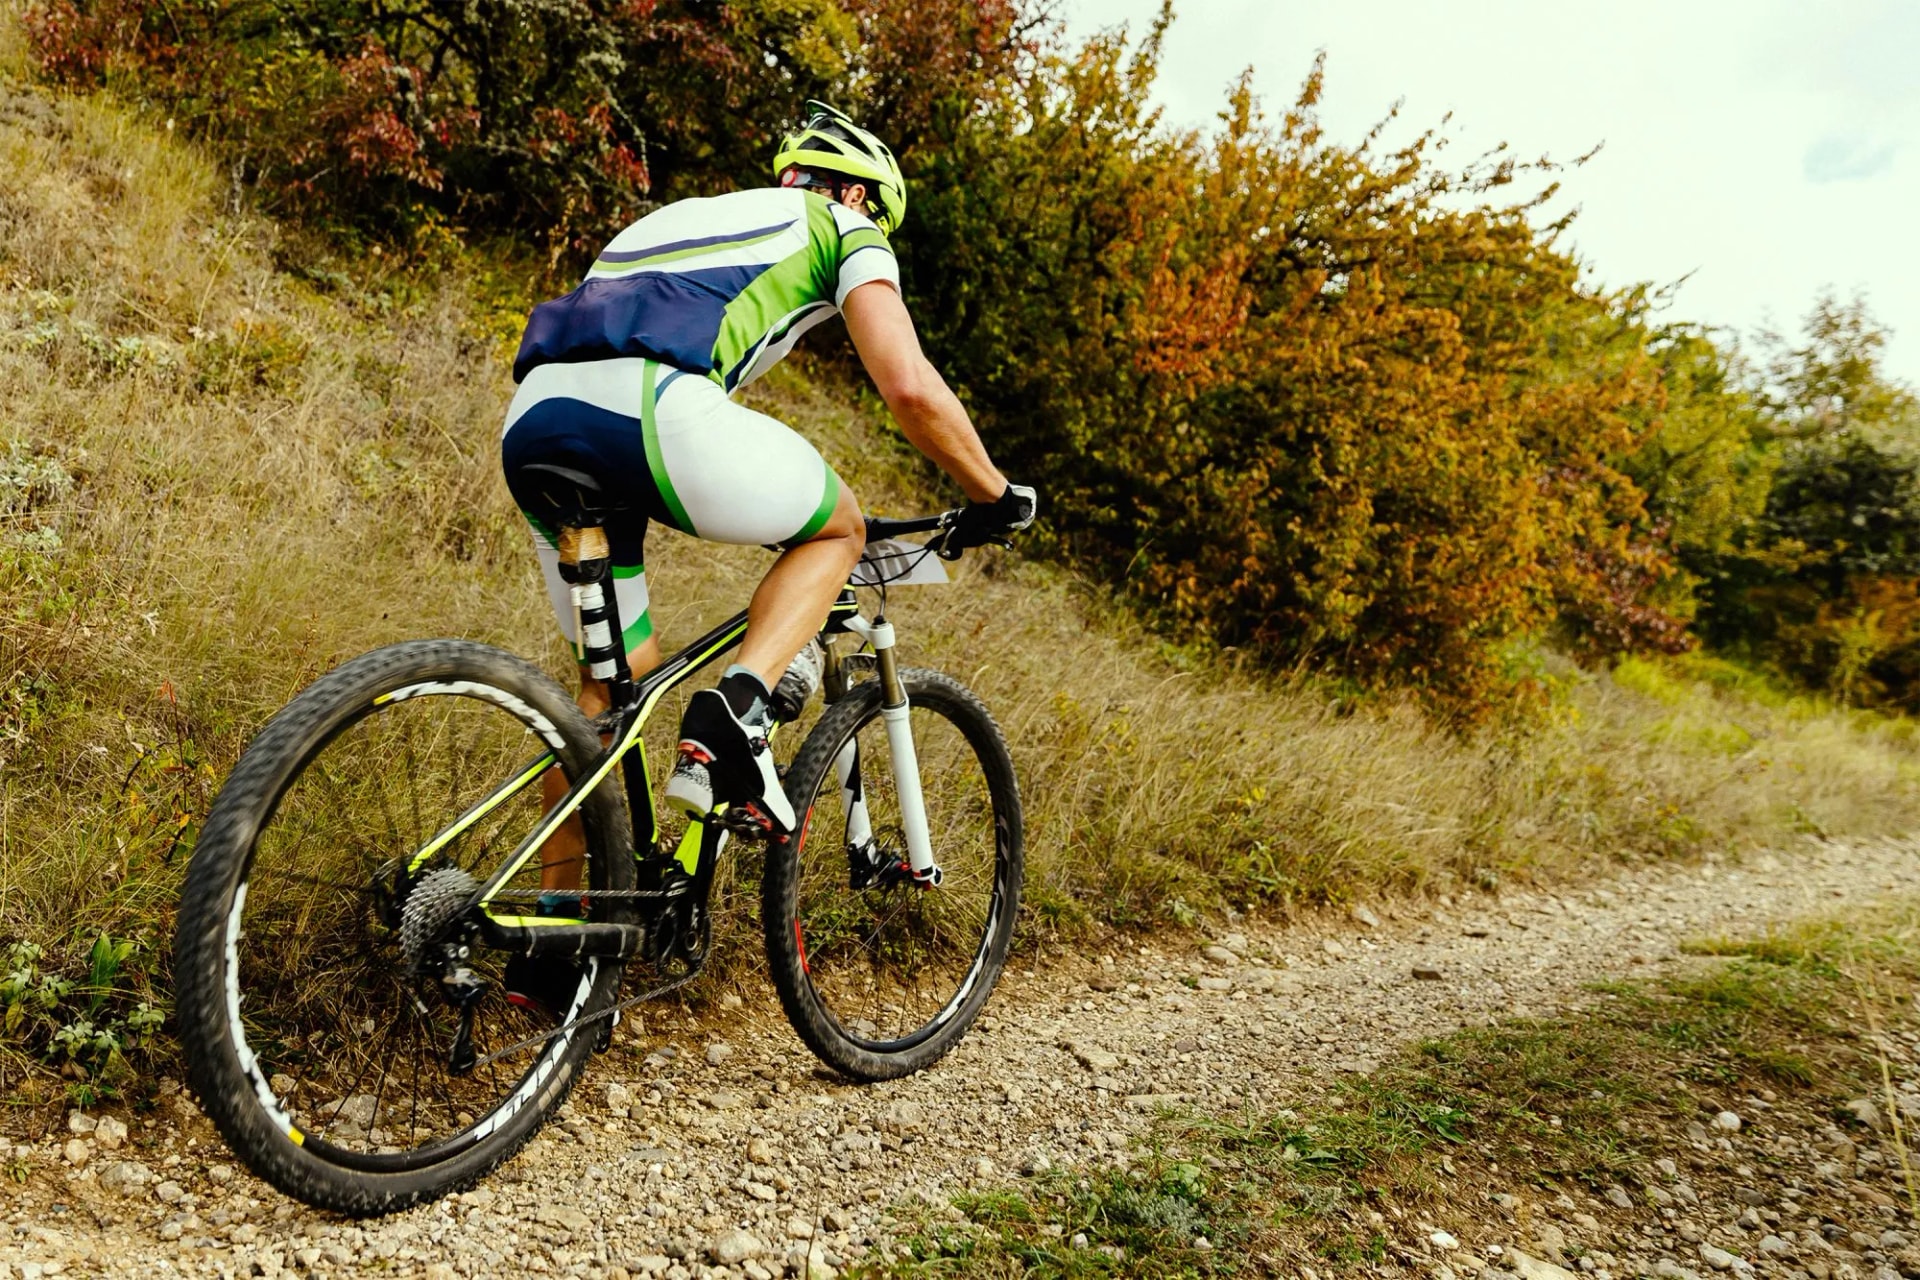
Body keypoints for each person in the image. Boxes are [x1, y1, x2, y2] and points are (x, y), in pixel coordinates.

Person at [497, 102, 1035, 1017]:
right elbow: (908, 385)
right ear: (859, 193)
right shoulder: (845, 227)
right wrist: (992, 492)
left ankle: (559, 937)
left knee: (611, 691)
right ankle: (735, 716)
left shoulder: (682, 216)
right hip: (651, 409)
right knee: (838, 530)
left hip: (539, 421)